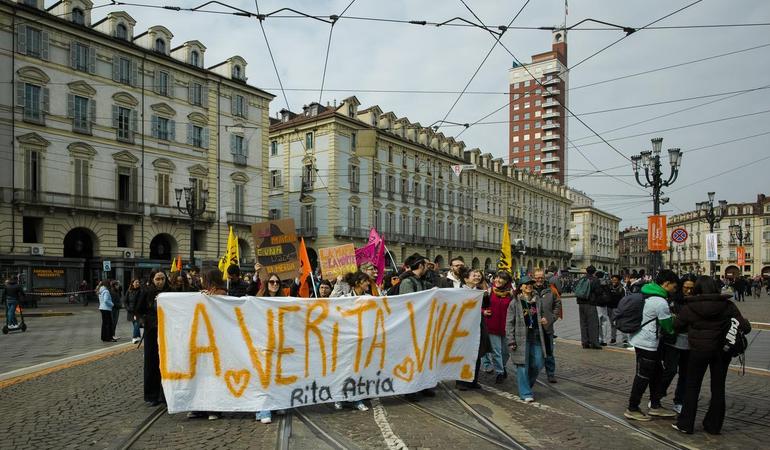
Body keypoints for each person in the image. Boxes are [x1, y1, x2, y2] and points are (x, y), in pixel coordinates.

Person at [673, 276, 751, 434]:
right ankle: (713, 425)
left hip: (698, 351)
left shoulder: (690, 306)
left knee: (692, 386)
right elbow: (744, 327)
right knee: (718, 387)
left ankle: (686, 424)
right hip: (721, 351)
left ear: (697, 289)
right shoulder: (727, 305)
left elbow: (677, 325)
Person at [624, 270, 678, 421]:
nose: (675, 290)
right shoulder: (660, 302)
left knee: (657, 373)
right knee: (643, 376)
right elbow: (668, 327)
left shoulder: (647, 293)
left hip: (642, 339)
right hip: (647, 343)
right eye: (674, 287)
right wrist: (674, 320)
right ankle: (632, 408)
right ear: (666, 284)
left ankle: (655, 405)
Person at [188, 269, 229, 421]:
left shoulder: (222, 294)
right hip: (204, 341)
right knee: (201, 375)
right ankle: (200, 407)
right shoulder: (204, 294)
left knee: (213, 376)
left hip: (216, 342)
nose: (200, 280)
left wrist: (210, 299)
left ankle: (214, 408)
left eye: (203, 278)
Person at [330, 271, 371, 412]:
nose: (368, 283)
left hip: (362, 341)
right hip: (345, 341)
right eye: (366, 281)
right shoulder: (345, 298)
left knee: (358, 370)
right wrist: (338, 283)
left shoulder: (369, 298)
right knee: (343, 370)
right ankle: (339, 397)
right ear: (358, 283)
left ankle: (357, 399)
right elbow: (330, 301)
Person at [399, 253, 436, 399]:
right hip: (411, 326)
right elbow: (408, 304)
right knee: (412, 358)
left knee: (423, 356)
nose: (428, 268)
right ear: (420, 266)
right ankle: (409, 389)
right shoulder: (408, 282)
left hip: (422, 325)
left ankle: (423, 385)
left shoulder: (422, 281)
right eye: (426, 265)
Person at [658, 273, 696, 415]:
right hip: (673, 341)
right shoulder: (673, 300)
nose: (689, 291)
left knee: (685, 374)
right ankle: (657, 396)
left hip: (690, 343)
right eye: (686, 287)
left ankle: (679, 401)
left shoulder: (696, 301)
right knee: (670, 370)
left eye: (691, 288)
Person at [506, 275, 546, 402]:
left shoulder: (537, 300)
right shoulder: (515, 302)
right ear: (521, 287)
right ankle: (525, 392)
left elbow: (542, 315)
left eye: (530, 284)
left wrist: (544, 319)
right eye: (526, 284)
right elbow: (509, 323)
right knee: (523, 365)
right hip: (521, 338)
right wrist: (511, 340)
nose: (529, 286)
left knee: (538, 363)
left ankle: (525, 384)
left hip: (536, 336)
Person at [254, 272, 286, 424]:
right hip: (263, 342)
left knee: (277, 375)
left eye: (277, 282)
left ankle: (277, 403)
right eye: (272, 282)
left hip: (279, 343)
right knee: (264, 376)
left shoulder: (284, 301)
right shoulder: (257, 300)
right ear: (266, 284)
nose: (274, 284)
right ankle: (263, 410)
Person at [136, 271, 169, 407]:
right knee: (152, 362)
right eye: (157, 279)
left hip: (168, 332)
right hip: (152, 331)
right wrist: (146, 321)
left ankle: (165, 395)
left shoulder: (170, 292)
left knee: (167, 362)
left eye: (163, 278)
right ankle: (152, 395)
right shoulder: (146, 292)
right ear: (152, 279)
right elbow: (138, 310)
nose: (160, 281)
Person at [457, 268, 490, 390]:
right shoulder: (459, 292)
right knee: (463, 353)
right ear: (466, 279)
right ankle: (461, 381)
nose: (477, 277)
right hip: (463, 327)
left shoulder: (480, 291)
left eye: (478, 275)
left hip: (477, 326)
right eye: (474, 275)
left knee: (477, 352)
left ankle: (473, 380)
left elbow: (486, 305)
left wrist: (485, 293)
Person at [482, 271, 514, 383]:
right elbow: (481, 306)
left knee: (506, 352)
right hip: (492, 326)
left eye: (502, 278)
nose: (498, 280)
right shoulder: (489, 292)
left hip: (507, 327)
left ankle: (503, 366)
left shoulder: (511, 294)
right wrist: (483, 311)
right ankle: (500, 372)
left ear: (507, 281)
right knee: (496, 351)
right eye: (496, 278)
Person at [532, 269, 561, 383]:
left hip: (547, 327)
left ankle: (550, 373)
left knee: (549, 352)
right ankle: (532, 372)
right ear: (533, 278)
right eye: (537, 277)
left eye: (541, 277)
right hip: (533, 328)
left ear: (544, 278)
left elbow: (557, 305)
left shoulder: (551, 290)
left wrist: (552, 318)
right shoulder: (529, 289)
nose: (539, 280)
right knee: (535, 352)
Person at [576, 266, 602, 349]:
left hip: (581, 303)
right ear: (594, 272)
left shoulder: (581, 279)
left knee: (583, 323)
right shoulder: (595, 280)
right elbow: (598, 292)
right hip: (590, 303)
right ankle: (594, 343)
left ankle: (585, 342)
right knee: (593, 324)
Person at [607, 274, 629, 347]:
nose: (613, 281)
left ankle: (625, 339)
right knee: (612, 324)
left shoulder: (622, 288)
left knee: (621, 323)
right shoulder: (609, 287)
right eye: (612, 280)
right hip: (610, 307)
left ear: (619, 281)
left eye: (615, 280)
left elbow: (624, 299)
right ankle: (613, 339)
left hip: (618, 308)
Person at [124, 279, 143, 344]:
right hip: (131, 311)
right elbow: (125, 301)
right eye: (136, 282)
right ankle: (138, 336)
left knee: (136, 323)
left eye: (138, 282)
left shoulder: (141, 291)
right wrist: (128, 308)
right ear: (132, 283)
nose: (138, 283)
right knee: (135, 324)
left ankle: (134, 337)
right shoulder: (129, 291)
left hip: (138, 311)